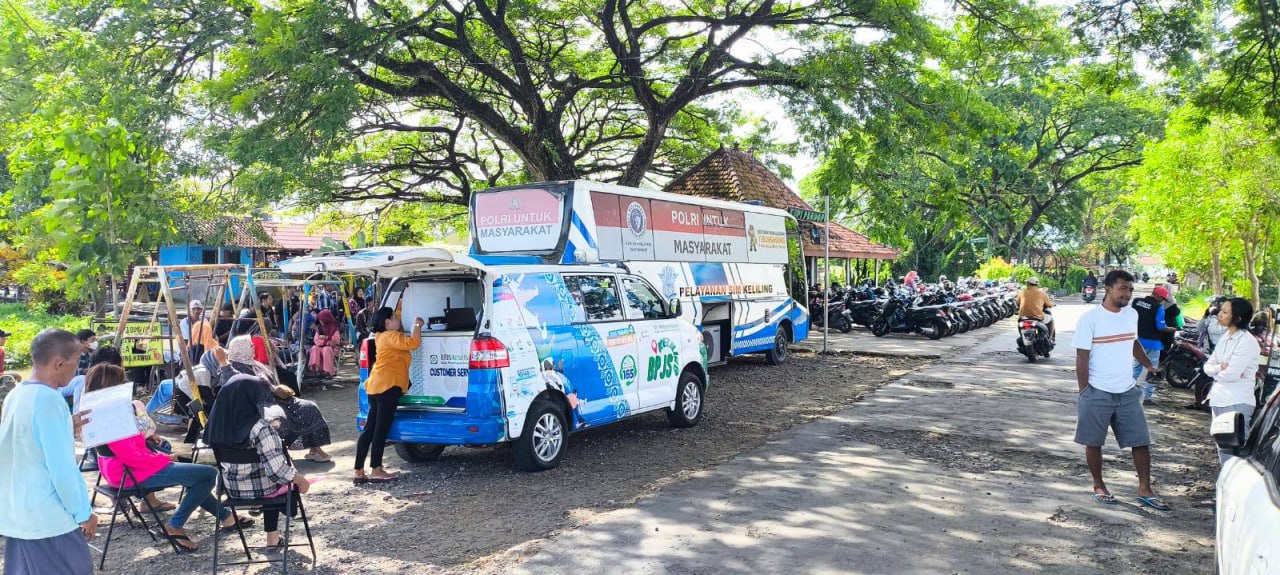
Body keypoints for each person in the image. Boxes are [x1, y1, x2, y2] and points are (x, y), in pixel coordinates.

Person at [89, 364, 252, 551]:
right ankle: (174, 526)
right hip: (131, 473)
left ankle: (226, 517)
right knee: (208, 474)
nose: (126, 385)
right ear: (111, 386)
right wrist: (165, 458)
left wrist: (156, 449)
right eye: (122, 381)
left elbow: (131, 449)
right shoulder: (113, 417)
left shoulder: (100, 411)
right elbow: (132, 457)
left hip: (124, 470)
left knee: (197, 477)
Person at [0, 329, 97, 574]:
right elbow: (61, 469)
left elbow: (23, 444)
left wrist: (65, 427)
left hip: (18, 514)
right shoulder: (49, 400)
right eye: (76, 362)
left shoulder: (16, 394)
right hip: (49, 519)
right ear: (59, 363)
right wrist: (84, 512)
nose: (77, 369)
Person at [1073, 270, 1168, 511]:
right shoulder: (1090, 319)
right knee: (1093, 442)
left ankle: (1145, 489)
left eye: (1130, 289)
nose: (1127, 293)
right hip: (1097, 390)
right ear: (1108, 288)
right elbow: (1082, 357)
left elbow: (1133, 342)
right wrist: (1085, 391)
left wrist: (1148, 364)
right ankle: (1099, 485)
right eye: (1122, 288)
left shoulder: (1132, 315)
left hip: (1127, 391)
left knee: (1140, 442)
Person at [204, 378, 312, 551]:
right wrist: (300, 479)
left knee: (267, 473)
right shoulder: (261, 428)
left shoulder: (215, 424)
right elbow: (277, 471)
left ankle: (273, 538)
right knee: (277, 479)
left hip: (232, 490)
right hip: (263, 490)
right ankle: (272, 537)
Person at [216, 337, 332, 462]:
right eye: (250, 346)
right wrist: (224, 363)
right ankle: (280, 452)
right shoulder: (233, 368)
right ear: (241, 349)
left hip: (276, 400)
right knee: (277, 417)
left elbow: (269, 383)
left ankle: (315, 449)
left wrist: (278, 389)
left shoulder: (255, 364)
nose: (253, 347)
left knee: (309, 407)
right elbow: (230, 383)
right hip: (256, 407)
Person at [355, 308, 423, 484]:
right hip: (388, 386)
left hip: (375, 385)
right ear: (387, 322)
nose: (398, 320)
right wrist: (417, 324)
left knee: (369, 428)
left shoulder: (379, 336)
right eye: (395, 317)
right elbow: (413, 343)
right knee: (380, 430)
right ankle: (376, 469)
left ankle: (359, 470)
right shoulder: (391, 336)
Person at [1204, 297, 1262, 464]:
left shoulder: (1247, 342)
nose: (1219, 314)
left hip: (1236, 401)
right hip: (1219, 399)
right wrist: (1218, 368)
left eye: (1225, 312)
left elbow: (1231, 374)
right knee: (1223, 450)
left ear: (1237, 318)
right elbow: (1208, 366)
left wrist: (1219, 370)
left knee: (1235, 455)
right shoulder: (1225, 337)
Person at [1131, 286, 1178, 405]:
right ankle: (1147, 398)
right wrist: (1171, 329)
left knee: (1135, 369)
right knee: (1152, 370)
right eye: (1162, 298)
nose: (1162, 301)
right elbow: (1160, 327)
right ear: (1156, 296)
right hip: (1153, 344)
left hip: (1138, 342)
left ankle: (1127, 392)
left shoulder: (1136, 302)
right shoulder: (1158, 308)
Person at [308, 309, 341, 378]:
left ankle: (328, 371)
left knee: (326, 349)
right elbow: (316, 340)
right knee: (314, 348)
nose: (320, 321)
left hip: (333, 348)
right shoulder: (320, 328)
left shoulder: (334, 328)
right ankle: (315, 370)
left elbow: (336, 340)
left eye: (321, 319)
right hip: (322, 347)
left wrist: (325, 338)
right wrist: (327, 341)